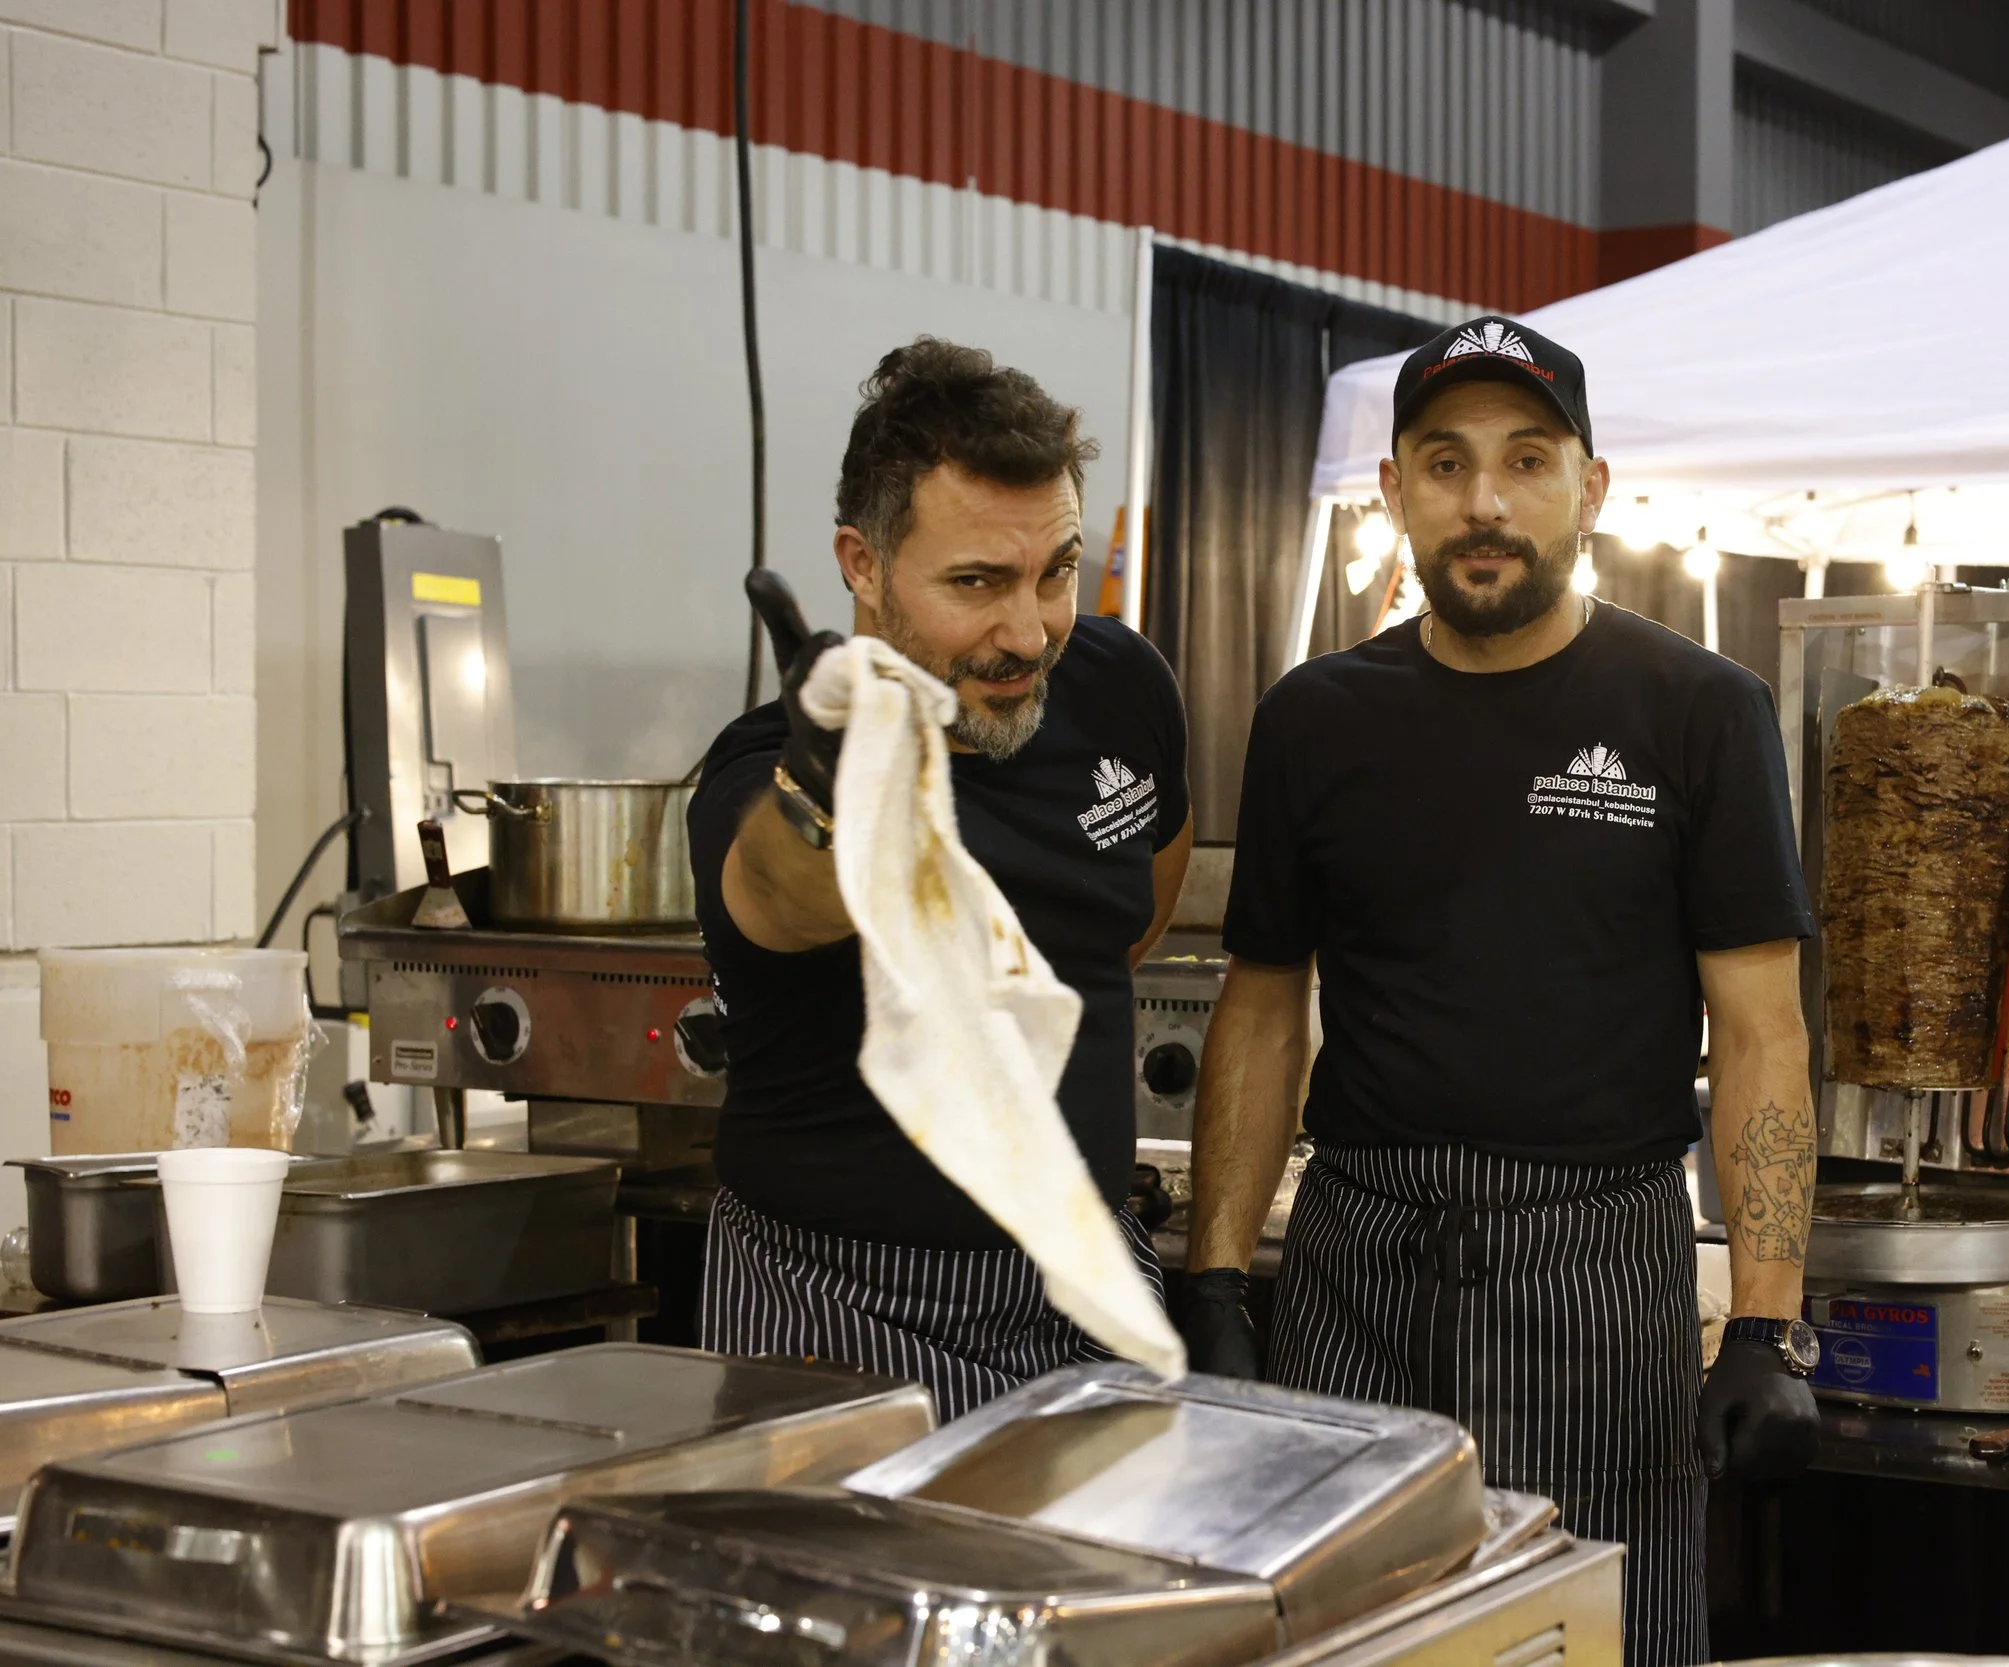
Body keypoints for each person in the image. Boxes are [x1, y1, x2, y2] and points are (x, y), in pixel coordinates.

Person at [1178, 316, 1820, 1666]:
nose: (1484, 501)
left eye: (1526, 460)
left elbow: (1761, 1032)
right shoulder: (1314, 718)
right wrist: (1220, 1277)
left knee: (1598, 1639)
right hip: (1356, 1261)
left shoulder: (1700, 708)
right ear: (1395, 490)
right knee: (1351, 1641)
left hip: (1596, 1272)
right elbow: (1260, 1003)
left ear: (1590, 487)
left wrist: (1767, 1317)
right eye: (1446, 461)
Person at [690, 338, 1193, 1419]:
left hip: (1090, 1285)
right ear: (862, 563)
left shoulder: (1121, 689)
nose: (1027, 630)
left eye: (1053, 570)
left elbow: (1131, 914)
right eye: (976, 582)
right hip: (838, 1313)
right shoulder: (763, 770)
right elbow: (782, 893)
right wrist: (831, 796)